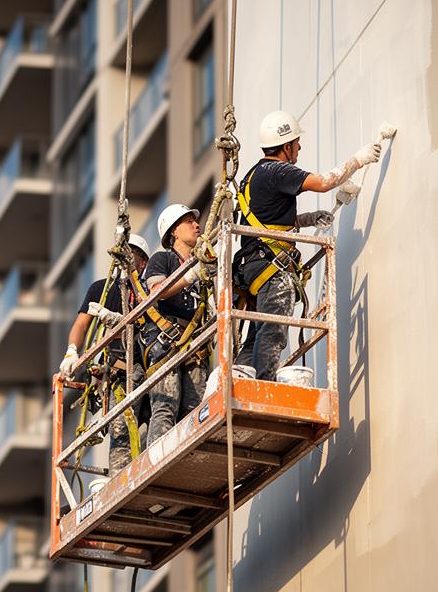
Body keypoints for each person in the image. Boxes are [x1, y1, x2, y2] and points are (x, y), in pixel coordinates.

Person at [233, 109, 382, 380]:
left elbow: (267, 220)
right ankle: (263, 386)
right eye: (296, 143)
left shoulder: (253, 176)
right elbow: (324, 182)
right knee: (274, 331)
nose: (299, 147)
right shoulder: (277, 170)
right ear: (286, 146)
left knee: (256, 334)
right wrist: (357, 161)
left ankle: (239, 381)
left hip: (253, 266)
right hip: (271, 268)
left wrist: (308, 219)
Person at [58, 235, 151, 474]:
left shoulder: (147, 288)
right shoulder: (101, 288)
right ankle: (121, 478)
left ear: (142, 262)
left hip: (150, 364)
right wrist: (71, 352)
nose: (124, 261)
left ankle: (148, 470)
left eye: (131, 255)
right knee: (122, 430)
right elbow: (81, 324)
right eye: (121, 255)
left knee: (151, 424)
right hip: (118, 368)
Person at [141, 205, 211, 443]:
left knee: (195, 409)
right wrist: (189, 276)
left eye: (195, 220)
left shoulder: (202, 265)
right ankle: (157, 457)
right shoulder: (163, 259)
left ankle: (190, 453)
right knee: (166, 405)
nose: (196, 225)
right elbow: (156, 291)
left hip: (195, 344)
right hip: (166, 340)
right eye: (188, 221)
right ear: (173, 232)